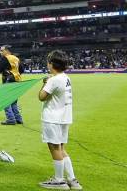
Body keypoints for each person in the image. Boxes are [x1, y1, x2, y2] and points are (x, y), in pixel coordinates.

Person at [38, 50, 81, 190]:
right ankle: (72, 180)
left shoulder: (53, 80)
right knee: (61, 148)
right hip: (64, 117)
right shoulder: (66, 77)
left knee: (54, 148)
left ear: (51, 64)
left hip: (52, 118)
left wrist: (44, 83)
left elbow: (41, 97)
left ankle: (59, 181)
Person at [0, 45, 24, 125]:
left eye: (2, 50)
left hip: (9, 80)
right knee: (13, 101)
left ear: (7, 51)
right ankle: (18, 118)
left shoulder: (5, 58)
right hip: (17, 81)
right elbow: (22, 70)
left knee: (5, 100)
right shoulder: (16, 58)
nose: (0, 52)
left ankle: (10, 119)